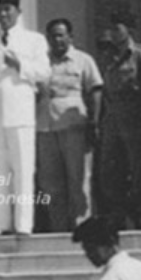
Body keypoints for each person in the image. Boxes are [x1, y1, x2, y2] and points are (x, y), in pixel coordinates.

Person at [0, 0, 49, 237]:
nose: (3, 14)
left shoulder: (33, 40)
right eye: (0, 9)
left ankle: (24, 223)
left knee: (23, 168)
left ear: (18, 12)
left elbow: (44, 73)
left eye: (8, 9)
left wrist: (21, 66)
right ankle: (1, 222)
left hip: (20, 111)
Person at [37, 19, 102, 233]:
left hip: (74, 127)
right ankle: (59, 229)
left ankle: (82, 227)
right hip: (45, 128)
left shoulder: (83, 60)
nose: (57, 40)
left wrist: (94, 122)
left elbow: (95, 91)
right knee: (50, 183)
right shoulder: (40, 61)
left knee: (78, 180)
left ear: (70, 37)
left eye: (60, 35)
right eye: (52, 35)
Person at [94, 11, 141, 229]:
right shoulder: (108, 56)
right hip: (112, 118)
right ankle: (119, 213)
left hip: (135, 116)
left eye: (116, 28)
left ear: (128, 30)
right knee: (110, 169)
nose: (112, 33)